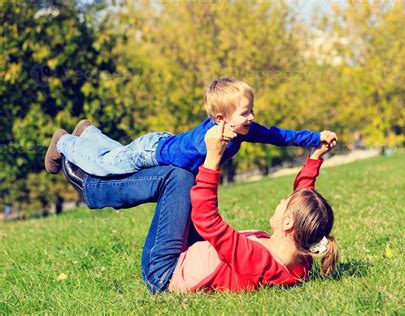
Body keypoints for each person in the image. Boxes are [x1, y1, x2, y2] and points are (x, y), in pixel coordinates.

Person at [62, 121, 339, 293]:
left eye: (284, 204)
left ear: (289, 224)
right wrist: (314, 157)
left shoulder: (259, 260)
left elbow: (208, 220)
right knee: (181, 170)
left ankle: (92, 187)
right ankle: (92, 139)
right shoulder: (300, 255)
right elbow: (305, 201)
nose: (281, 201)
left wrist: (213, 159)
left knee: (178, 175)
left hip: (166, 271)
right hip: (197, 249)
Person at [45, 77, 337, 176]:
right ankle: (64, 142)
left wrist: (316, 137)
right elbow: (199, 154)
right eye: (245, 113)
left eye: (252, 112)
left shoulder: (244, 130)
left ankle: (88, 132)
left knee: (115, 155)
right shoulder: (207, 137)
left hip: (159, 142)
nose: (251, 118)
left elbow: (279, 135)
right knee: (104, 166)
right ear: (221, 118)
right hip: (150, 152)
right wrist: (215, 138)